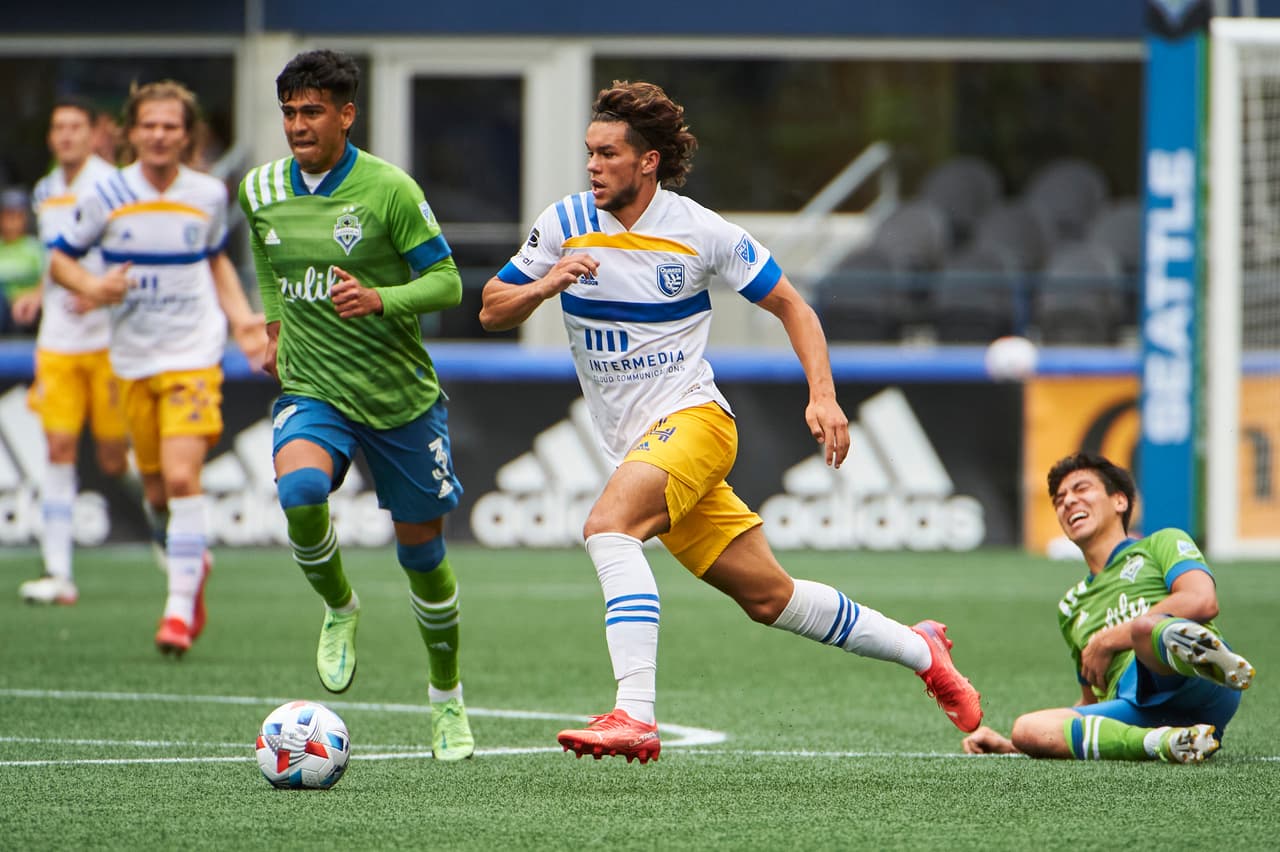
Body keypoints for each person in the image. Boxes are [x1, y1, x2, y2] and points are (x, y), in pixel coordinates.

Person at [479, 80, 983, 764]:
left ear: (648, 160)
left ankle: (634, 713)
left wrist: (824, 397)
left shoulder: (701, 231)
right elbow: (491, 307)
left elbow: (794, 308)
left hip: (695, 423)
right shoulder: (564, 220)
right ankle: (920, 649)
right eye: (589, 153)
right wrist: (545, 283)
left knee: (608, 527)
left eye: (607, 153)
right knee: (770, 598)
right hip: (643, 445)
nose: (592, 166)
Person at [237, 49, 474, 762]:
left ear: (347, 114)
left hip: (400, 398)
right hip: (314, 387)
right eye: (289, 112)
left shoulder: (388, 190)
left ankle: (446, 702)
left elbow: (448, 283)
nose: (298, 125)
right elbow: (266, 252)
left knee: (423, 558)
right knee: (302, 490)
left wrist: (381, 299)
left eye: (313, 111)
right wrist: (274, 320)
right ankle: (340, 607)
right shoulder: (259, 188)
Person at [48, 80, 266, 655]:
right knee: (155, 491)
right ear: (131, 132)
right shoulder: (107, 193)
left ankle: (174, 610)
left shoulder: (209, 193)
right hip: (131, 361)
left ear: (187, 134)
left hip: (193, 356)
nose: (161, 135)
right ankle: (193, 571)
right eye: (150, 125)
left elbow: (215, 260)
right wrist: (96, 285)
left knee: (179, 477)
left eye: (172, 126)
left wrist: (244, 323)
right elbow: (60, 261)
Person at [961, 452, 1255, 764]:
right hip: (1136, 710)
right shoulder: (1072, 606)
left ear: (1119, 501)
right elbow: (1090, 702)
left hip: (1199, 687)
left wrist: (1107, 639)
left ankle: (1210, 663)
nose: (1068, 502)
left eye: (1081, 489)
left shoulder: (1161, 544)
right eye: (1059, 499)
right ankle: (1165, 741)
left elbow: (1202, 600)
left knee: (1145, 630)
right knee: (1027, 728)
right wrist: (1017, 745)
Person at [13, 97, 127, 605]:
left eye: (75, 127)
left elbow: (130, 251)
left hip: (108, 341)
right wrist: (42, 291)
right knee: (57, 451)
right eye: (58, 127)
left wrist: (97, 287)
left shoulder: (114, 184)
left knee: (114, 456)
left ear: (92, 132)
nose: (65, 136)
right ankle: (59, 573)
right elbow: (53, 255)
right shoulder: (44, 189)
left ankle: (171, 536)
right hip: (57, 342)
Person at [0, 186, 44, 333]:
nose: (12, 222)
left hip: (28, 312)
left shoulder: (35, 248)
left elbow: (47, 279)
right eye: (8, 215)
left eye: (18, 216)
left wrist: (32, 297)